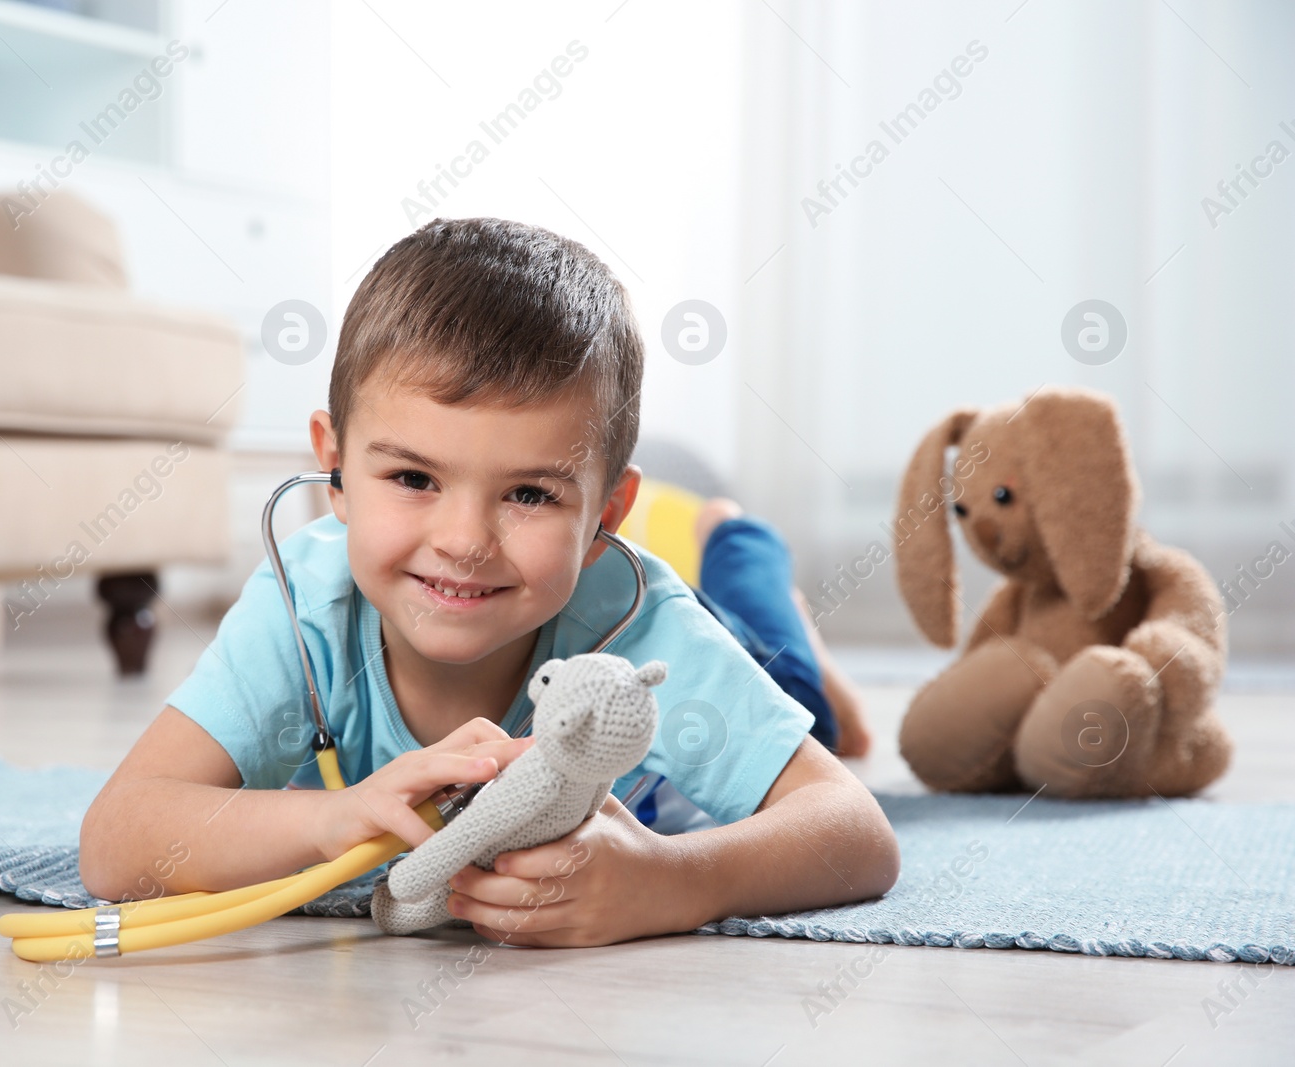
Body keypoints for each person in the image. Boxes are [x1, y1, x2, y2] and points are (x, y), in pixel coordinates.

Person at [79, 218, 898, 947]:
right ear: (333, 466)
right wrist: (333, 815)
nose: (465, 542)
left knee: (793, 682)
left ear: (609, 511)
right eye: (412, 477)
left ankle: (748, 559)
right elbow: (116, 838)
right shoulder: (306, 605)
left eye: (530, 494)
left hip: (713, 628)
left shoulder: (636, 626)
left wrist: (670, 882)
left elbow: (854, 830)